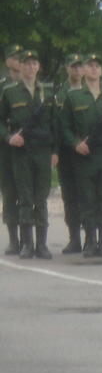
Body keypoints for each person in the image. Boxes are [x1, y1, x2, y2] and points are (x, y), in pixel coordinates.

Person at [62, 53, 102, 257]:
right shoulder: (73, 97)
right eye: (90, 66)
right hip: (84, 155)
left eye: (97, 66)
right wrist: (75, 143)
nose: (94, 69)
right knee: (86, 199)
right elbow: (65, 127)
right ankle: (90, 241)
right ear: (84, 71)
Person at [1, 49, 57, 258]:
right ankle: (26, 244)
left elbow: (54, 124)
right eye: (26, 64)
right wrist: (8, 137)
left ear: (38, 67)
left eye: (34, 64)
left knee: (41, 198)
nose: (30, 67)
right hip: (21, 151)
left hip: (42, 151)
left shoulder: (47, 93)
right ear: (20, 67)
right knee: (25, 198)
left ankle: (41, 244)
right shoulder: (10, 92)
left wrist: (55, 151)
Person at [55, 54, 85, 253]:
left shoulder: (92, 90)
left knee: (89, 195)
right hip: (67, 152)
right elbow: (57, 124)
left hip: (88, 151)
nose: (76, 70)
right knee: (70, 196)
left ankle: (93, 238)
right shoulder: (59, 93)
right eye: (73, 66)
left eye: (79, 66)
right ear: (67, 68)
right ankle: (74, 238)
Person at [1, 43, 23, 255]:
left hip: (28, 146)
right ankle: (13, 238)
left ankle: (28, 238)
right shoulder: (2, 86)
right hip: (7, 147)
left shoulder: (31, 86)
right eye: (14, 57)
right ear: (8, 61)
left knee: (28, 192)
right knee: (9, 192)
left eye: (20, 57)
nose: (18, 61)